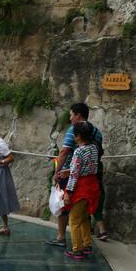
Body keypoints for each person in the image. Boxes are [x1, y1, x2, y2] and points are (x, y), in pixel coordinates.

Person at [47, 103, 103, 247]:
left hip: (75, 182)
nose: (70, 118)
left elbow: (64, 152)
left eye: (71, 115)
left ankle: (68, 242)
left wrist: (58, 172)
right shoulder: (96, 134)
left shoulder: (75, 134)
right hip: (91, 181)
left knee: (69, 213)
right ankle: (87, 245)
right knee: (84, 216)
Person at [62, 121, 101, 259]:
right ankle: (87, 245)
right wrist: (71, 169)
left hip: (81, 188)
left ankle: (77, 249)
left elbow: (74, 175)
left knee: (74, 220)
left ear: (77, 136)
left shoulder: (78, 151)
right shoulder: (93, 148)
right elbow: (88, 167)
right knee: (84, 218)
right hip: (91, 184)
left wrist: (68, 193)